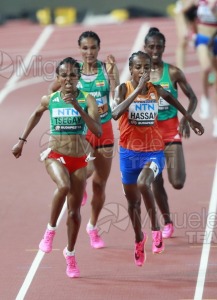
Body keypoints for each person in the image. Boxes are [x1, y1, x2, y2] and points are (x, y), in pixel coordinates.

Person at [111, 51, 204, 267]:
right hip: (128, 154)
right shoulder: (123, 89)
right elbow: (115, 113)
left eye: (147, 68)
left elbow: (173, 99)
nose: (144, 71)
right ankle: (138, 239)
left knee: (145, 183)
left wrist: (189, 118)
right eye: (139, 68)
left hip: (153, 150)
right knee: (133, 203)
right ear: (131, 69)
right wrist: (136, 93)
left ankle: (155, 229)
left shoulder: (156, 90)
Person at [12, 57, 102, 278]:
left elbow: (98, 130)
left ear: (79, 78)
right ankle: (50, 231)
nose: (68, 79)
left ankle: (70, 253)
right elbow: (35, 114)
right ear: (58, 77)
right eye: (64, 75)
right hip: (55, 155)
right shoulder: (50, 99)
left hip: (79, 159)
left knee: (74, 212)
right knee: (63, 186)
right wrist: (21, 141)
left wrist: (77, 107)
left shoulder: (88, 99)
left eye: (73, 75)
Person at [49, 31, 120, 249]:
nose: (89, 52)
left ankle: (92, 226)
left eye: (93, 48)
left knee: (100, 183)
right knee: (86, 170)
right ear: (79, 49)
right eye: (85, 48)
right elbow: (53, 93)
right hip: (83, 131)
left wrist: (113, 75)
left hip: (103, 129)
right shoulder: (73, 73)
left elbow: (117, 95)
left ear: (99, 49)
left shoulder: (106, 70)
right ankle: (80, 185)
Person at [143, 27, 198, 238]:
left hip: (170, 134)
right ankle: (167, 222)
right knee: (155, 181)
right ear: (145, 48)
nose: (155, 50)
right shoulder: (139, 75)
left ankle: (166, 220)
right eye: (151, 46)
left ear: (164, 47)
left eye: (158, 46)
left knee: (177, 182)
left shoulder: (173, 72)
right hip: (149, 138)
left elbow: (192, 97)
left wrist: (187, 117)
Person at [194, 0, 217, 137]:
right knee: (206, 68)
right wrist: (191, 33)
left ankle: (216, 121)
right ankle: (205, 97)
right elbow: (188, 15)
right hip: (202, 38)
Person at [174, 0, 198, 70]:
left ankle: (212, 70)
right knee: (183, 40)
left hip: (200, 8)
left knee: (205, 42)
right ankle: (179, 71)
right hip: (183, 10)